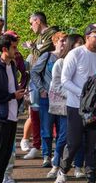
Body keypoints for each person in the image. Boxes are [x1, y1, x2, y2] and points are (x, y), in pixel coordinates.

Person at [55, 24, 96, 183]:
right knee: (74, 143)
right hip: (76, 106)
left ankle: (91, 178)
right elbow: (65, 80)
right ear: (88, 36)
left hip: (95, 110)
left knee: (92, 145)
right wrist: (83, 94)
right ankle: (63, 170)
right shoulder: (75, 54)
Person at [0, 34, 25, 183]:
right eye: (13, 47)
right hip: (0, 116)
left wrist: (18, 94)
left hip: (12, 115)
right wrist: (12, 96)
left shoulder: (12, 65)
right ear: (4, 49)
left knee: (6, 154)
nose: (16, 50)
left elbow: (11, 88)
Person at [46, 34, 85, 178]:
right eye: (78, 43)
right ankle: (56, 165)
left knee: (81, 138)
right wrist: (73, 94)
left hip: (82, 106)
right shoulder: (60, 62)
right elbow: (56, 86)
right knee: (63, 138)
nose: (81, 45)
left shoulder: (85, 61)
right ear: (70, 45)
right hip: (65, 107)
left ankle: (78, 167)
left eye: (82, 42)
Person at [23, 12, 59, 160]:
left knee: (51, 115)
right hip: (36, 80)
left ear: (38, 21)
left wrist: (31, 47)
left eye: (31, 23)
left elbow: (41, 54)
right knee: (35, 113)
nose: (31, 27)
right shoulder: (40, 37)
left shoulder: (52, 34)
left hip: (46, 81)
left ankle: (49, 149)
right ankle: (37, 146)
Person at [30, 31, 67, 168]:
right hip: (47, 98)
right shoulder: (47, 56)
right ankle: (46, 156)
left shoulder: (69, 57)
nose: (63, 43)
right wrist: (41, 89)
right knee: (46, 128)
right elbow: (34, 71)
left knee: (61, 129)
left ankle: (58, 156)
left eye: (65, 41)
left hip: (63, 98)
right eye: (61, 40)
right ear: (55, 42)